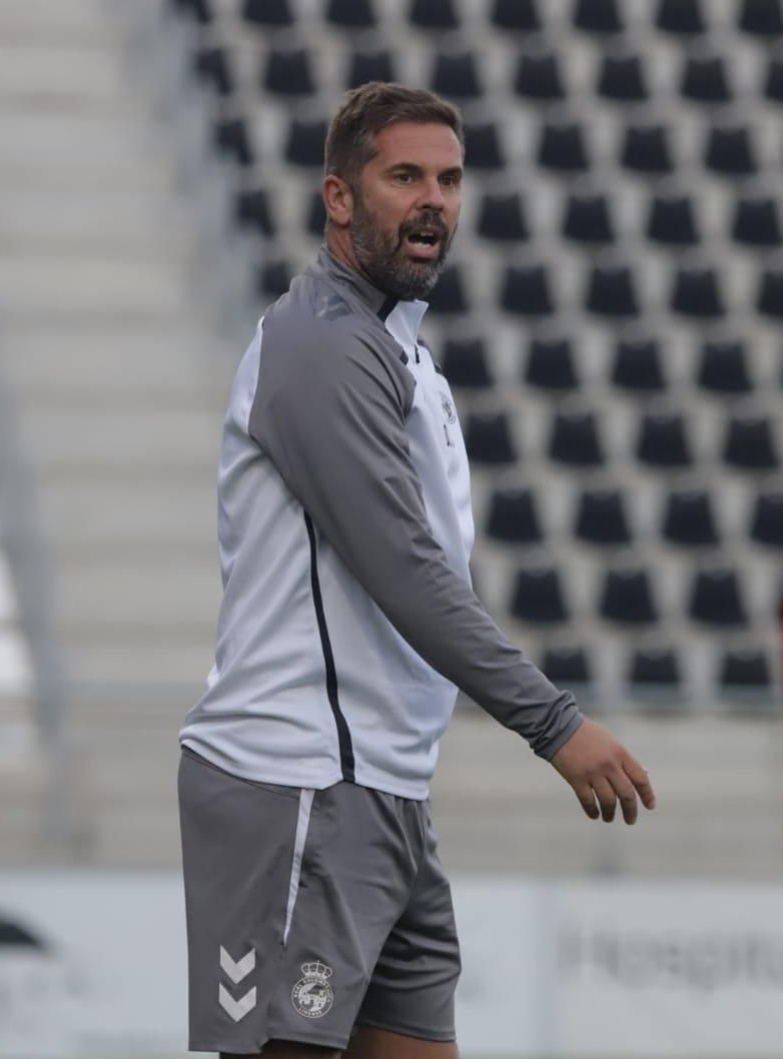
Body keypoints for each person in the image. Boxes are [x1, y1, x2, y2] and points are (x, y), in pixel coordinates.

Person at [178, 82, 655, 1059]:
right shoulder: (319, 344)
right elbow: (401, 566)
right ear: (339, 197)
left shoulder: (405, 357)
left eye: (449, 178)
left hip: (383, 789)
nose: (434, 198)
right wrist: (553, 722)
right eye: (404, 176)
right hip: (295, 780)